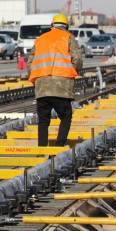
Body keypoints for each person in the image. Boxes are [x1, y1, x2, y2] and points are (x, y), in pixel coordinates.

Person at [29, 13, 83, 146]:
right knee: (66, 117)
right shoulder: (68, 37)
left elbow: (30, 62)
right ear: (66, 26)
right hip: (62, 86)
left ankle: (42, 150)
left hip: (42, 87)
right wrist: (72, 71)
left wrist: (37, 78)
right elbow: (78, 60)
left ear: (52, 25)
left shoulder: (40, 39)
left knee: (43, 120)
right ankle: (58, 148)